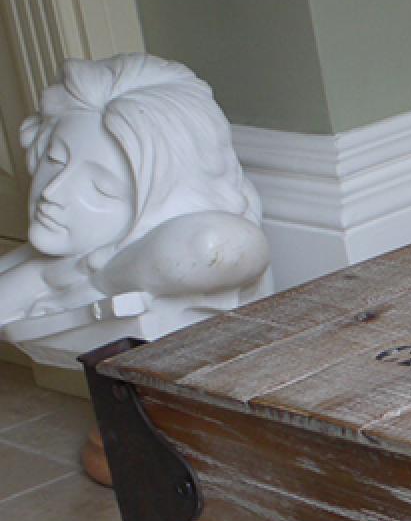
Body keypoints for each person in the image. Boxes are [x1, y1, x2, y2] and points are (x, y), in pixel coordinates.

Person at [0, 53, 269, 351]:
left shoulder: (204, 227)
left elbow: (216, 244)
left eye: (100, 189)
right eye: (55, 158)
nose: (52, 191)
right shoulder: (52, 259)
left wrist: (98, 279)